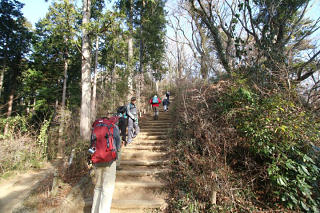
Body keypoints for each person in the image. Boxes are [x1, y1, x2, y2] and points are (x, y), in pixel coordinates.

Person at [91, 118, 121, 213]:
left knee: (98, 187)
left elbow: (91, 145)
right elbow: (118, 143)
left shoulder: (95, 128)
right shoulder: (113, 127)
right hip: (110, 161)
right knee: (107, 189)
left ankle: (94, 211)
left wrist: (92, 157)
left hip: (96, 161)